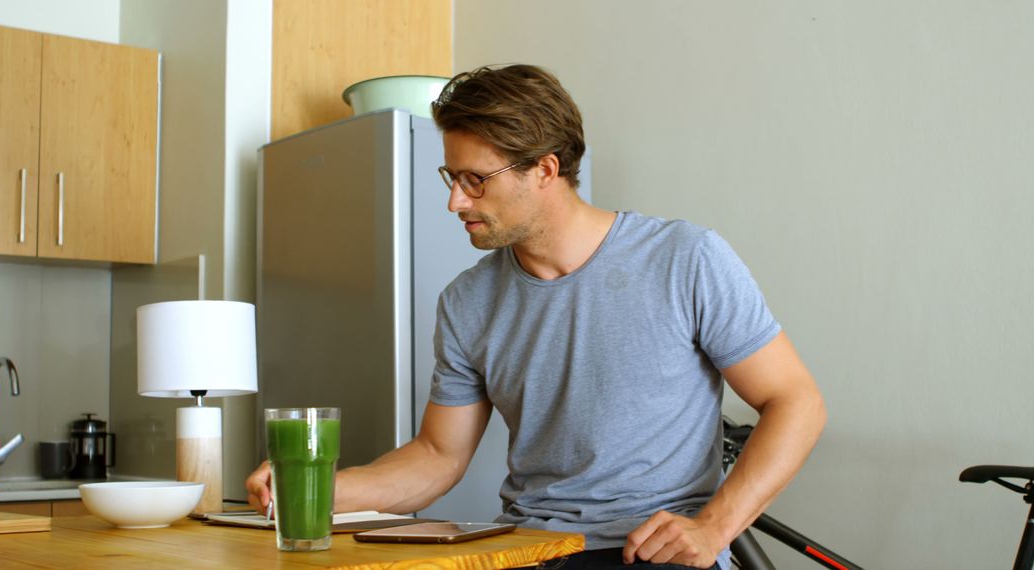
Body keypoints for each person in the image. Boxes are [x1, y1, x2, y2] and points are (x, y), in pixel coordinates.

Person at [247, 64, 826, 569]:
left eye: (476, 180)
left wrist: (714, 527)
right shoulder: (467, 303)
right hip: (529, 550)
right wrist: (317, 487)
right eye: (453, 178)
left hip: (650, 552)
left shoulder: (684, 258)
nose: (456, 201)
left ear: (545, 170)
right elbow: (436, 456)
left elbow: (796, 402)